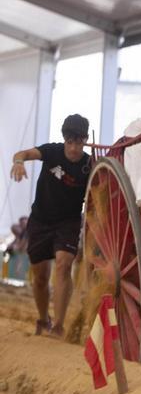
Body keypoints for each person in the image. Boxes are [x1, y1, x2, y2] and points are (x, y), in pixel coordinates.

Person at [10, 114, 91, 337]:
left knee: (64, 265)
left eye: (79, 143)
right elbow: (22, 154)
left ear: (85, 141)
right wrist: (18, 163)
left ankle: (59, 325)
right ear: (64, 139)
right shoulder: (51, 152)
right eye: (70, 142)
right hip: (41, 220)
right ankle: (43, 318)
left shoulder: (88, 165)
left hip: (69, 222)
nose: (74, 148)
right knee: (41, 277)